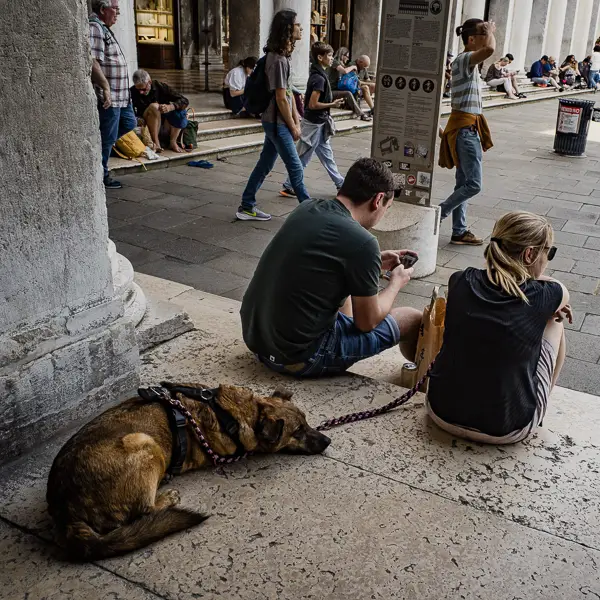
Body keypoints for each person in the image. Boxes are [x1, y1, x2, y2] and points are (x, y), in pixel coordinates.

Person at [241, 158, 423, 378]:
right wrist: (396, 283)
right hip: (298, 357)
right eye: (388, 207)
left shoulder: (307, 207)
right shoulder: (363, 242)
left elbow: (325, 265)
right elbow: (367, 323)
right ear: (378, 200)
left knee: (345, 286)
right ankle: (421, 378)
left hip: (259, 342)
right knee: (412, 318)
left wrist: (373, 262)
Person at [427, 211, 572, 444]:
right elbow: (561, 290)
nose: (548, 259)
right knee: (555, 321)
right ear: (530, 254)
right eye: (549, 252)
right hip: (507, 428)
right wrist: (548, 305)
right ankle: (540, 401)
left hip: (440, 411)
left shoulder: (459, 280)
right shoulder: (547, 294)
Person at [237, 9, 309, 222]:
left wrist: (297, 120)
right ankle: (310, 211)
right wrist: (293, 125)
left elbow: (288, 93)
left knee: (265, 164)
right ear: (287, 28)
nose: (301, 28)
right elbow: (280, 98)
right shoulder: (276, 60)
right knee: (295, 166)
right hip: (276, 123)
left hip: (277, 122)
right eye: (297, 24)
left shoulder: (283, 58)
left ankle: (247, 205)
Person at [438, 19, 496, 246]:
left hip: (465, 129)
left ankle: (459, 231)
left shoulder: (464, 63)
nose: (487, 39)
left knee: (463, 184)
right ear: (471, 39)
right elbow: (490, 49)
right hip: (465, 131)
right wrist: (491, 31)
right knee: (474, 185)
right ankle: (438, 215)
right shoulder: (464, 60)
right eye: (483, 35)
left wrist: (487, 31)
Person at [280, 42, 346, 198]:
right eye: (329, 56)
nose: (331, 59)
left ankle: (340, 184)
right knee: (303, 157)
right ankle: (289, 185)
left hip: (319, 123)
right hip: (313, 124)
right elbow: (313, 104)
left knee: (326, 155)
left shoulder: (319, 74)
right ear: (319, 57)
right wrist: (333, 104)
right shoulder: (319, 78)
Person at [89, 0, 137, 190]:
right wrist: (105, 87)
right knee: (107, 137)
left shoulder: (105, 28)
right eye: (115, 10)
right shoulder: (95, 27)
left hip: (122, 96)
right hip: (111, 97)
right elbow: (93, 61)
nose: (118, 14)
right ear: (102, 9)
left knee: (130, 123)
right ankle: (101, 172)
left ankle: (99, 153)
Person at [130, 70, 189, 154]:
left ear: (149, 82)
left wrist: (171, 107)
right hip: (146, 120)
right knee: (154, 107)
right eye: (138, 89)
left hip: (165, 122)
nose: (141, 92)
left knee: (181, 111)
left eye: (143, 89)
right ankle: (156, 143)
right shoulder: (132, 91)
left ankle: (173, 141)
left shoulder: (160, 86)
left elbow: (184, 100)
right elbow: (130, 113)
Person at [328, 47, 371, 120]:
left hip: (339, 88)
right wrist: (353, 67)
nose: (347, 59)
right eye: (347, 56)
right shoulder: (334, 62)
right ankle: (361, 114)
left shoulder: (342, 64)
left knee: (354, 89)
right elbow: (344, 71)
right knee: (348, 93)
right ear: (342, 55)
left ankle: (357, 108)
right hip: (331, 90)